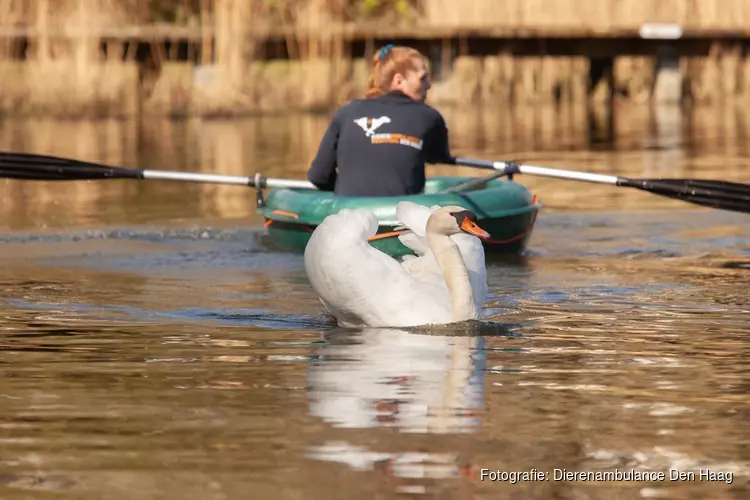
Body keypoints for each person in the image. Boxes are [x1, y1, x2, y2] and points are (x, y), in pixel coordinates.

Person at [306, 44, 455, 197]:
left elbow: (318, 176)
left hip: (346, 214)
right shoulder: (430, 117)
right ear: (399, 81)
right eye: (422, 78)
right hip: (398, 216)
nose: (428, 85)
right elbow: (437, 156)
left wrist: (342, 190)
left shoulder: (346, 112)